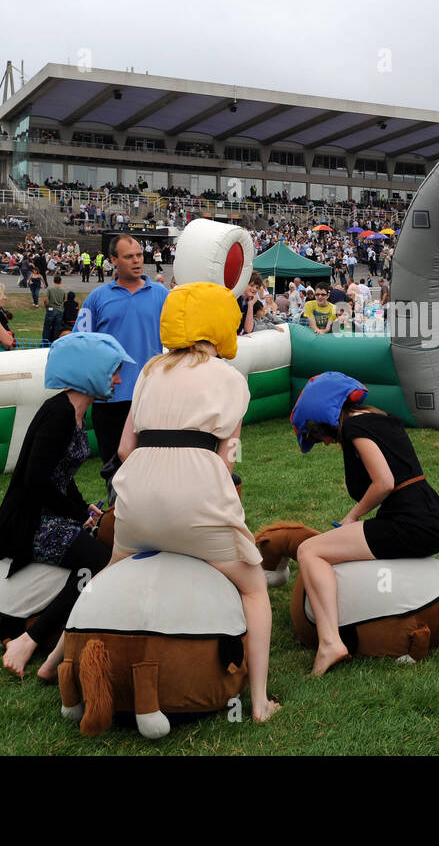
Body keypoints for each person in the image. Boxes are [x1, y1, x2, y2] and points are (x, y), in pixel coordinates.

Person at [109, 282, 279, 721]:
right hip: (197, 494)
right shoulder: (230, 378)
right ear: (222, 324)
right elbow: (228, 458)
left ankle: (54, 658)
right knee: (255, 587)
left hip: (137, 493)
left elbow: (125, 449)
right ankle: (259, 701)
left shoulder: (149, 370)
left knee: (105, 577)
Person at [0, 333, 134, 679]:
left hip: (46, 512)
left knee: (99, 543)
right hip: (28, 522)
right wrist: (75, 515)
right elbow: (36, 480)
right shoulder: (59, 415)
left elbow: (60, 476)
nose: (117, 379)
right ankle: (29, 639)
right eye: (112, 371)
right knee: (99, 561)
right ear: (91, 371)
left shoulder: (75, 413)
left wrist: (84, 508)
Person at [290, 371, 439, 672]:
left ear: (324, 416)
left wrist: (352, 517)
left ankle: (330, 643)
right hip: (430, 516)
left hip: (410, 521)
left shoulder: (353, 427)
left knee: (309, 551)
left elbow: (384, 482)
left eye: (316, 434)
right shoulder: (380, 418)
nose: (323, 443)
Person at [76, 233, 170, 466]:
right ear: (113, 260)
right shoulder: (96, 298)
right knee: (114, 469)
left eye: (139, 255)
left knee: (152, 466)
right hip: (109, 400)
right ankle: (115, 504)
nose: (137, 260)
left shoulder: (162, 294)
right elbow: (80, 343)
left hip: (151, 396)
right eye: (129, 256)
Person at [43, 275, 66, 343]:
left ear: (53, 280)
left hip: (51, 309)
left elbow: (46, 300)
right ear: (60, 281)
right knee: (57, 328)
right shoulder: (63, 289)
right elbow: (64, 300)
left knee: (47, 327)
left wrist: (47, 307)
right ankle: (54, 342)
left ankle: (45, 343)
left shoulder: (49, 288)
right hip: (60, 310)